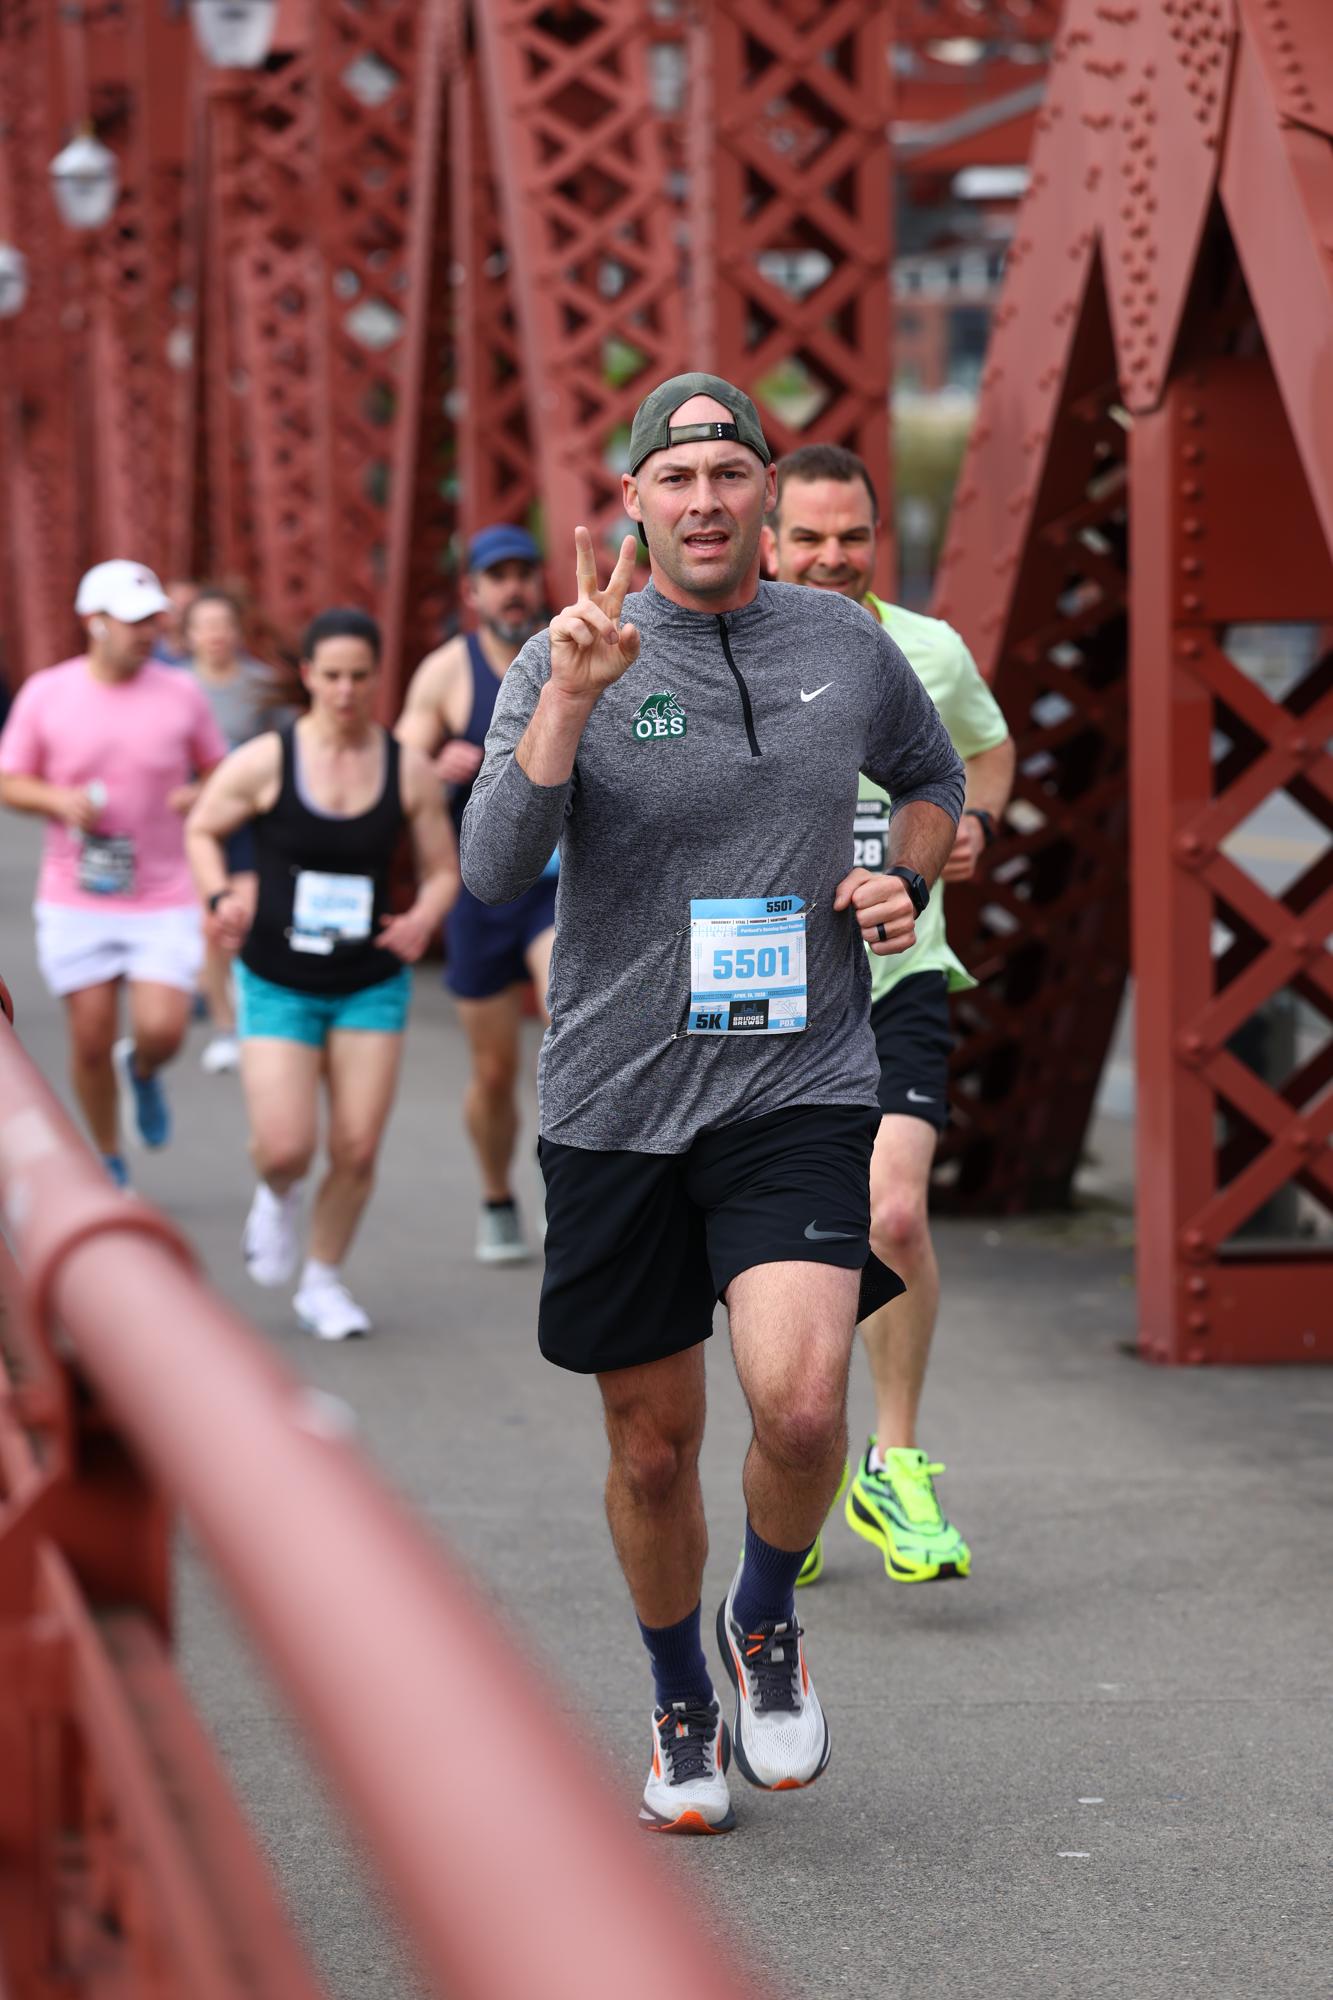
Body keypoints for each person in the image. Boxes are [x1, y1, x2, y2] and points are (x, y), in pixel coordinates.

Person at [461, 373, 965, 1834]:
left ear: (764, 493)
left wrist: (901, 874)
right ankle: (680, 1693)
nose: (703, 501)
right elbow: (492, 870)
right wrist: (570, 697)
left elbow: (931, 777)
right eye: (673, 480)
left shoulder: (840, 641)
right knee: (652, 1447)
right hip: (615, 1100)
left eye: (729, 474)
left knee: (801, 1410)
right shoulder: (566, 654)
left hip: (796, 1081)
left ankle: (765, 1614)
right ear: (633, 500)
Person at [763, 443, 1015, 1590]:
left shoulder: (930, 650)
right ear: (770, 543)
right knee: (782, 1252)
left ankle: (892, 1460)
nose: (832, 556)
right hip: (770, 993)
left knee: (895, 1211)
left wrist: (979, 822)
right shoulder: (731, 649)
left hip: (897, 974)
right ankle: (792, 1461)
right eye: (809, 537)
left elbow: (988, 750)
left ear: (878, 538)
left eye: (851, 536)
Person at [186, 607, 459, 1341]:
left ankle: (322, 1280)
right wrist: (218, 896)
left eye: (359, 677)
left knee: (357, 1147)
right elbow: (202, 827)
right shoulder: (267, 761)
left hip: (369, 978)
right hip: (277, 976)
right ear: (308, 675)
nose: (345, 691)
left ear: (376, 678)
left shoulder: (405, 767)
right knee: (285, 1147)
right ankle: (277, 1194)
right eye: (331, 675)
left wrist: (422, 918)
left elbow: (442, 869)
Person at [0, 560, 227, 1186]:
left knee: (164, 1029)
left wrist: (197, 794)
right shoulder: (48, 692)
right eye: (132, 621)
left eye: (153, 620)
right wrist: (56, 800)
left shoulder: (181, 692)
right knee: (90, 1036)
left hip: (164, 891)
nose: (147, 632)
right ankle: (107, 1158)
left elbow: (219, 768)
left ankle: (145, 1069)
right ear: (92, 622)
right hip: (78, 892)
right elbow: (9, 779)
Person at [396, 524, 552, 1264]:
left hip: (559, 886)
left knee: (566, 1030)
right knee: (492, 1073)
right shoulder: (446, 672)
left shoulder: (568, 648)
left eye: (523, 573)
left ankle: (570, 1186)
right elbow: (397, 775)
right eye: (498, 576)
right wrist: (434, 766)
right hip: (481, 895)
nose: (513, 589)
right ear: (473, 591)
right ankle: (496, 1196)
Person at [186, 587, 295, 1074]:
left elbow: (293, 746)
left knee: (240, 920)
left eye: (224, 625)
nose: (216, 635)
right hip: (190, 825)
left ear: (238, 631)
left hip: (249, 824)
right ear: (189, 635)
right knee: (212, 927)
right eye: (205, 626)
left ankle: (250, 1021)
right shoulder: (176, 687)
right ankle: (225, 1027)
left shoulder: (262, 686)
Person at [152, 578, 200, 667]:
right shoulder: (149, 648)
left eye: (187, 605)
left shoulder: (204, 652)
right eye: (174, 604)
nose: (180, 610)